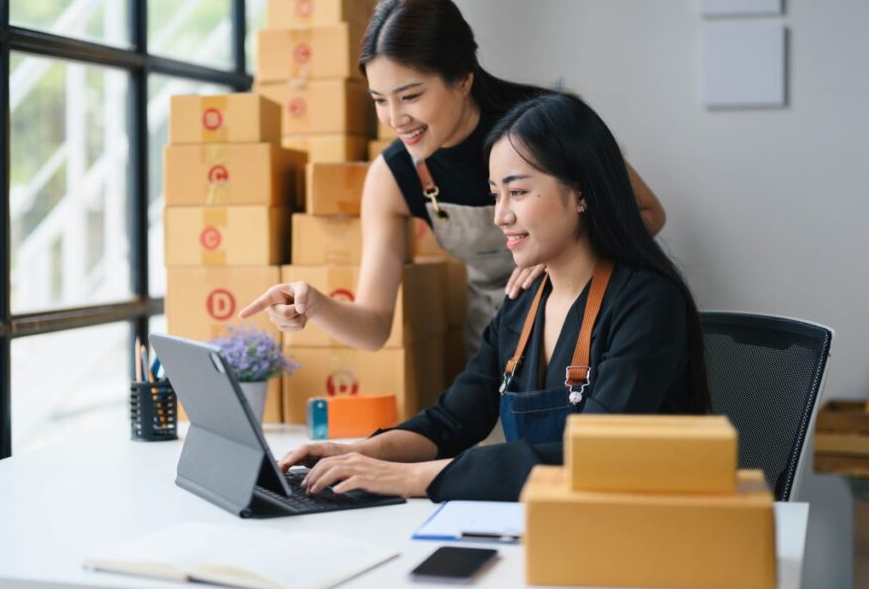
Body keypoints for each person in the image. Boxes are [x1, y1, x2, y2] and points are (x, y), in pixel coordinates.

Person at [275, 92, 710, 502]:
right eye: (495, 195)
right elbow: (452, 420)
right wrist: (359, 454)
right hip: (545, 528)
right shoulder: (523, 303)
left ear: (581, 193)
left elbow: (591, 458)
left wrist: (409, 477)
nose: (501, 216)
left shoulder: (648, 303)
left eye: (517, 192)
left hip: (639, 537)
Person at [240, 0, 666, 357]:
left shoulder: (547, 124)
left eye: (409, 96)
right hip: (497, 345)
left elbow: (649, 212)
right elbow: (373, 327)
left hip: (586, 328)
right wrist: (313, 304)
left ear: (463, 78)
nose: (395, 118)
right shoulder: (392, 178)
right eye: (380, 100)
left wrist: (565, 255)